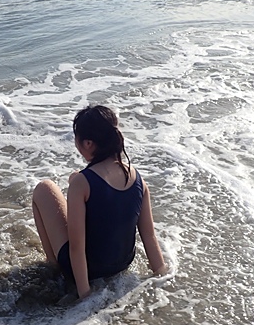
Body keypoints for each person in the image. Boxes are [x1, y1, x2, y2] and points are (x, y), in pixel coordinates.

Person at [31, 105, 168, 299]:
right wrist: (161, 274)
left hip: (88, 269)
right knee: (76, 179)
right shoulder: (138, 179)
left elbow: (76, 248)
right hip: (121, 263)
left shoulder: (82, 184)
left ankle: (53, 264)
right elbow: (149, 237)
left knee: (44, 188)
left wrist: (85, 296)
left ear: (88, 143)